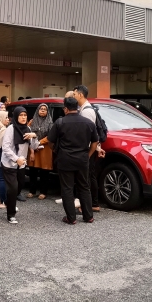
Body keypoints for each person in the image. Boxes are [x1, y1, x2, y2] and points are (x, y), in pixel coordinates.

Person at [48, 96, 98, 225]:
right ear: (77, 107)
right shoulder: (88, 123)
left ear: (65, 109)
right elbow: (95, 141)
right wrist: (88, 154)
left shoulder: (60, 122)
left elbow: (50, 141)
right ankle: (88, 216)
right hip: (82, 159)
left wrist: (56, 151)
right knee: (84, 187)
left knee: (67, 188)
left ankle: (71, 218)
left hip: (65, 159)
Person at [1, 106, 39, 224]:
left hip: (21, 164)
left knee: (19, 185)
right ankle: (11, 215)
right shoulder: (11, 129)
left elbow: (34, 146)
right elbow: (5, 147)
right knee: (13, 188)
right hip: (9, 163)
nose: (23, 117)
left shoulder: (28, 128)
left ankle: (8, 201)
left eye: (25, 115)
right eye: (21, 115)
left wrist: (34, 136)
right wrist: (16, 159)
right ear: (16, 116)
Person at [74, 85, 106, 213]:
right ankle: (94, 203)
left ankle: (89, 205)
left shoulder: (86, 111)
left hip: (87, 149)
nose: (74, 96)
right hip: (90, 148)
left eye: (75, 94)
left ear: (80, 95)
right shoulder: (86, 108)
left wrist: (90, 152)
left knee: (86, 178)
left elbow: (88, 134)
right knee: (90, 176)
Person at [27, 103, 53, 199]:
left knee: (44, 172)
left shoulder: (50, 123)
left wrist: (39, 142)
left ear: (47, 112)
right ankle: (32, 191)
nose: (42, 110)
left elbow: (51, 136)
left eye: (44, 109)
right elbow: (27, 132)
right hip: (33, 149)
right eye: (41, 109)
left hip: (45, 149)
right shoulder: (32, 122)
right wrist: (34, 145)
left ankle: (43, 192)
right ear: (37, 110)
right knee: (32, 171)